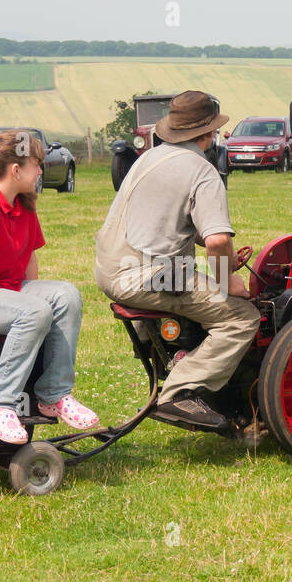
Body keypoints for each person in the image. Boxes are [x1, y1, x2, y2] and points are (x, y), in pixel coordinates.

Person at [94, 91, 260, 432]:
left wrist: (223, 260)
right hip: (148, 275)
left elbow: (169, 222)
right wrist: (225, 279)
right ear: (209, 133)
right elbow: (216, 241)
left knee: (193, 281)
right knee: (242, 318)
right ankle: (179, 392)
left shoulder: (149, 158)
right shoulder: (203, 171)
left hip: (109, 269)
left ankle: (163, 349)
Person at [0, 130, 98, 445]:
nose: (40, 171)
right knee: (34, 311)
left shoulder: (24, 204)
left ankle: (54, 394)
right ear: (16, 170)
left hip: (8, 290)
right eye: (37, 164)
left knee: (66, 295)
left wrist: (35, 301)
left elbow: (29, 259)